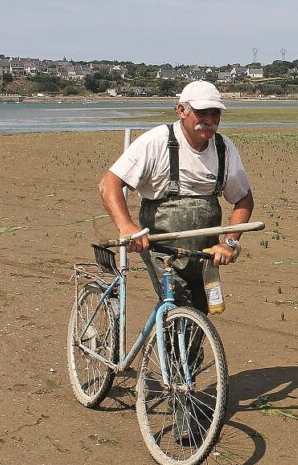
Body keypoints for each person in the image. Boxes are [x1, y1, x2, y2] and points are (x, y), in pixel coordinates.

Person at [99, 80, 254, 315]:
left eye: (216, 114)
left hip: (204, 253)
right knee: (179, 306)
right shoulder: (157, 141)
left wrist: (229, 242)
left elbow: (243, 199)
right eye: (202, 113)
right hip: (161, 248)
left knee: (201, 313)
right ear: (181, 111)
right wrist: (127, 226)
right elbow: (109, 183)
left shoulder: (224, 148)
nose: (210, 121)